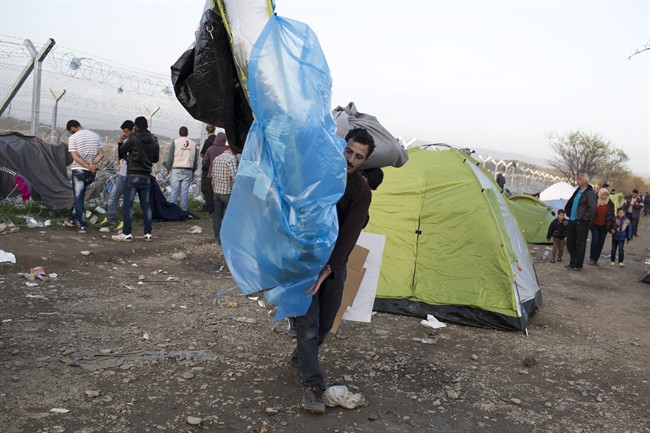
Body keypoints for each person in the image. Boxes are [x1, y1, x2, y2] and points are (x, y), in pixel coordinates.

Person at [290, 127, 375, 414]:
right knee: (308, 326)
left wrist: (329, 270)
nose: (350, 159)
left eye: (358, 156)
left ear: (364, 161)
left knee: (325, 325)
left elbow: (350, 234)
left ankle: (300, 358)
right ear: (341, 146)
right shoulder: (319, 173)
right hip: (303, 262)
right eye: (348, 151)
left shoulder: (361, 192)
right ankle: (313, 387)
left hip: (334, 266)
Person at [112, 116, 159, 242]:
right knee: (146, 205)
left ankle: (127, 233)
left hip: (132, 175)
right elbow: (155, 159)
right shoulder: (154, 139)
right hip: (146, 176)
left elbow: (121, 153)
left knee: (128, 205)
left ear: (135, 127)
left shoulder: (133, 138)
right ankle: (148, 233)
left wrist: (121, 142)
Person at [64, 120, 103, 234]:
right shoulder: (95, 136)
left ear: (72, 128)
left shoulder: (73, 138)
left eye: (70, 131)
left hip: (79, 171)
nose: (71, 133)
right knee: (79, 197)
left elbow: (75, 156)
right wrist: (93, 164)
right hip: (91, 172)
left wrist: (87, 165)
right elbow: (101, 154)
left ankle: (82, 225)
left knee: (78, 198)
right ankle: (70, 219)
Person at [100, 120, 133, 230]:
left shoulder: (134, 141)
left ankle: (125, 221)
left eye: (126, 131)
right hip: (122, 173)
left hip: (130, 174)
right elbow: (121, 156)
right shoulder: (127, 141)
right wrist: (120, 143)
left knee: (128, 199)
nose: (124, 134)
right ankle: (109, 218)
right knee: (114, 196)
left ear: (132, 130)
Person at [563, 173, 597, 271]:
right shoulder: (577, 191)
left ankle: (578, 265)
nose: (577, 180)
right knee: (570, 242)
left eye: (579, 179)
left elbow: (592, 209)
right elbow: (570, 203)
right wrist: (568, 212)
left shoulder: (590, 193)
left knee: (580, 244)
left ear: (584, 181)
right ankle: (572, 261)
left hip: (582, 222)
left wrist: (583, 218)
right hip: (572, 220)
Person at [209, 141, 237, 244]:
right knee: (228, 216)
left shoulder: (217, 158)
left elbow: (213, 176)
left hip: (217, 191)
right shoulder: (231, 159)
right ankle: (227, 238)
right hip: (227, 192)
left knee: (217, 216)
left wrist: (214, 188)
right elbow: (234, 177)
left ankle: (217, 237)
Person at [165, 126, 198, 212]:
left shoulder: (175, 142)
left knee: (174, 190)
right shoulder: (193, 144)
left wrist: (168, 169)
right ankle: (184, 210)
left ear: (179, 133)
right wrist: (194, 170)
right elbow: (195, 159)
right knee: (185, 191)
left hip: (176, 169)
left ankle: (172, 210)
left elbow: (170, 157)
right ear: (187, 133)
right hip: (188, 170)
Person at [588, 188, 615, 266]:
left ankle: (596, 259)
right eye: (603, 194)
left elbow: (612, 216)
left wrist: (613, 226)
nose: (605, 196)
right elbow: (591, 212)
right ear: (600, 194)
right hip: (595, 225)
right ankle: (592, 258)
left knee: (600, 243)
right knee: (595, 240)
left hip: (604, 226)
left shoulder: (610, 204)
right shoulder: (595, 202)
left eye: (606, 194)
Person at [200, 125, 218, 216]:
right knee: (213, 188)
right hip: (216, 168)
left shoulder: (208, 141)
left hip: (207, 168)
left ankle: (210, 207)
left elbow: (203, 154)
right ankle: (214, 207)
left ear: (207, 130)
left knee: (206, 188)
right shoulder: (217, 141)